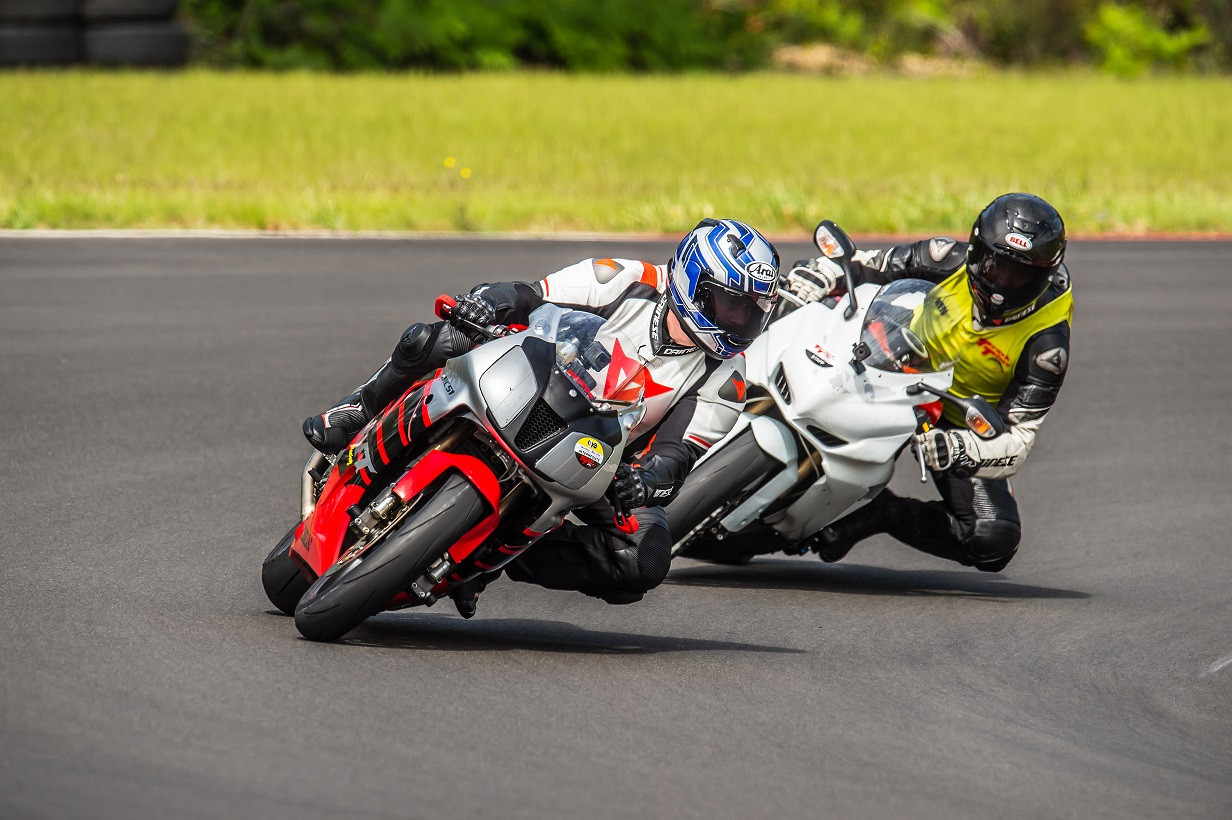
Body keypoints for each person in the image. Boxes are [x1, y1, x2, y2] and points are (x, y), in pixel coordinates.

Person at [304, 218, 780, 614]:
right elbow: (530, 296)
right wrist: (490, 301)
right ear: (692, 280)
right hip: (531, 380)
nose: (738, 321)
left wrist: (646, 479)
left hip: (597, 460)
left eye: (750, 312)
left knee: (643, 559)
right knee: (435, 338)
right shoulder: (624, 277)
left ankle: (488, 557)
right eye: (730, 304)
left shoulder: (726, 379)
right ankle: (358, 408)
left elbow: (676, 456)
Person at [784, 193, 1073, 572]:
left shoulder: (1047, 346)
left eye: (1021, 275)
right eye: (995, 266)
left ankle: (878, 512)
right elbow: (865, 264)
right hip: (887, 359)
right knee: (789, 313)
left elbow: (1019, 438)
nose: (1004, 283)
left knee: (993, 539)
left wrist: (959, 447)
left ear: (1045, 276)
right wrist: (820, 274)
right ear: (975, 251)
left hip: (951, 416)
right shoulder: (945, 258)